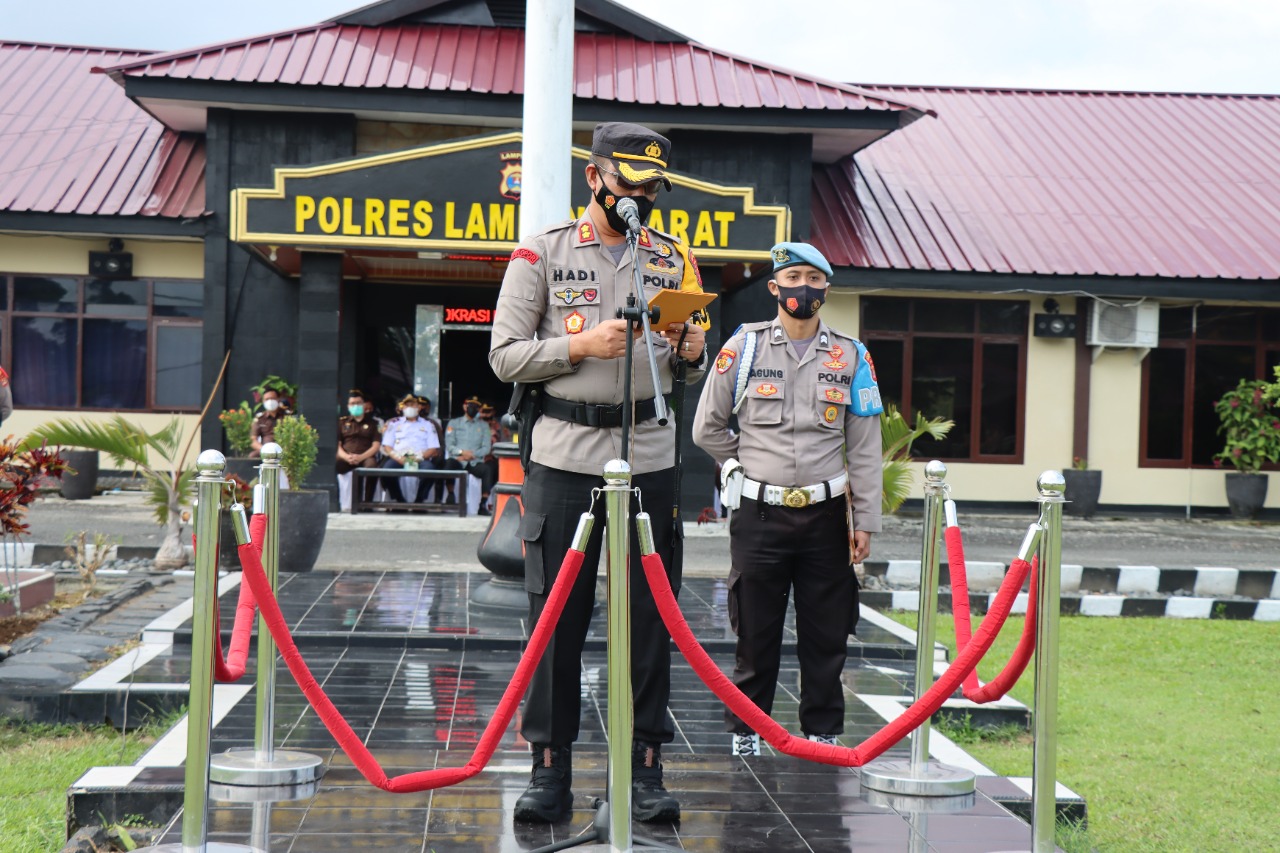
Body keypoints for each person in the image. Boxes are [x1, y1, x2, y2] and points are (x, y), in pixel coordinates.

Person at [489, 121, 709, 825]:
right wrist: (579, 345)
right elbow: (504, 356)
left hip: (650, 453)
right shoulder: (542, 252)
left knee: (651, 618)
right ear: (595, 178)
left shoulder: (672, 257)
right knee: (557, 619)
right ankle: (548, 764)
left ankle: (644, 764)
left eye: (652, 189)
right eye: (627, 185)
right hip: (564, 455)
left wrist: (692, 347)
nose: (638, 200)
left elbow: (685, 358)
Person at [692, 241, 883, 756]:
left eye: (814, 278)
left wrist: (864, 519)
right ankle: (748, 733)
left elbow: (864, 447)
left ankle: (822, 732)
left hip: (826, 515)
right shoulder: (745, 348)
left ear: (826, 288)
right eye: (793, 277)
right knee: (755, 633)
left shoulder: (852, 355)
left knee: (827, 633)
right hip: (759, 513)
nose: (804, 287)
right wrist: (745, 464)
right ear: (774, 287)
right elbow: (706, 427)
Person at [378, 394, 442, 504]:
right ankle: (398, 499)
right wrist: (399, 458)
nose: (410, 407)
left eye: (413, 404)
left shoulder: (428, 425)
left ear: (419, 407)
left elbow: (433, 449)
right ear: (402, 407)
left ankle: (419, 500)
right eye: (407, 405)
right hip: (399, 457)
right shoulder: (394, 423)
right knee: (387, 471)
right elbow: (387, 446)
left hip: (421, 458)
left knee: (430, 471)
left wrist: (417, 458)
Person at [442, 395, 495, 514]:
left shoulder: (483, 425)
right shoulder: (454, 423)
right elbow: (449, 445)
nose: (473, 408)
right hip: (458, 459)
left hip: (474, 461)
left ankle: (483, 503)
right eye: (471, 405)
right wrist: (461, 453)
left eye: (476, 406)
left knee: (487, 470)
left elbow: (487, 447)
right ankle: (450, 495)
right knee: (448, 464)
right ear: (464, 406)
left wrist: (472, 455)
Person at [335, 388, 382, 512]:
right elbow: (337, 445)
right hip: (346, 457)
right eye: (352, 403)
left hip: (365, 456)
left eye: (358, 403)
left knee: (372, 467)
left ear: (363, 405)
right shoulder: (342, 422)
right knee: (336, 465)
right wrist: (346, 457)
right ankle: (341, 503)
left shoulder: (373, 423)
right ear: (348, 406)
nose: (355, 406)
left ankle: (367, 503)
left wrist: (361, 457)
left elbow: (376, 446)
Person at [249, 385, 289, 458]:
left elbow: (293, 436)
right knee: (252, 456)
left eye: (272, 398)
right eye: (267, 399)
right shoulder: (260, 418)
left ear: (278, 399)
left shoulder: (287, 417)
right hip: (265, 451)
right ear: (263, 401)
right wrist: (264, 449)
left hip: (284, 450)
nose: (270, 401)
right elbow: (253, 441)